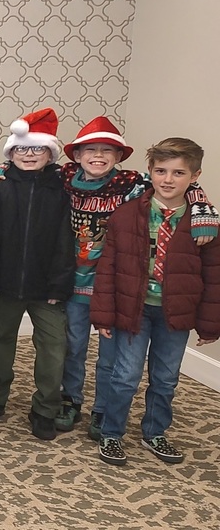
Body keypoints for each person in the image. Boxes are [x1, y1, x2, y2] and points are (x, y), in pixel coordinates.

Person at [53, 118, 217, 437]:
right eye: (90, 150)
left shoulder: (133, 184)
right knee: (72, 348)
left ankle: (102, 409)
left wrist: (203, 211)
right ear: (77, 155)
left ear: (119, 156)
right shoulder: (64, 180)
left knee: (111, 357)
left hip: (118, 287)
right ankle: (70, 399)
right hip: (74, 282)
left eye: (107, 151)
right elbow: (27, 173)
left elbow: (180, 184)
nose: (98, 156)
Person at [92, 138, 220, 466]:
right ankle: (111, 432)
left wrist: (210, 324)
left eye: (179, 173)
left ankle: (155, 431)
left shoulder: (204, 223)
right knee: (125, 376)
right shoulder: (126, 215)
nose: (168, 179)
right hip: (133, 309)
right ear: (150, 171)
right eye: (161, 171)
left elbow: (213, 276)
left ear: (195, 176)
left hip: (175, 313)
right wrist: (103, 315)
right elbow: (108, 267)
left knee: (166, 378)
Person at [0, 108, 74, 441]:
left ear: (50, 153)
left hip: (47, 287)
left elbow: (66, 240)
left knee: (53, 347)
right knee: (0, 342)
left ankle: (45, 408)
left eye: (37, 148)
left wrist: (60, 284)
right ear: (11, 153)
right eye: (22, 149)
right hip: (3, 284)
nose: (29, 155)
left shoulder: (62, 190)